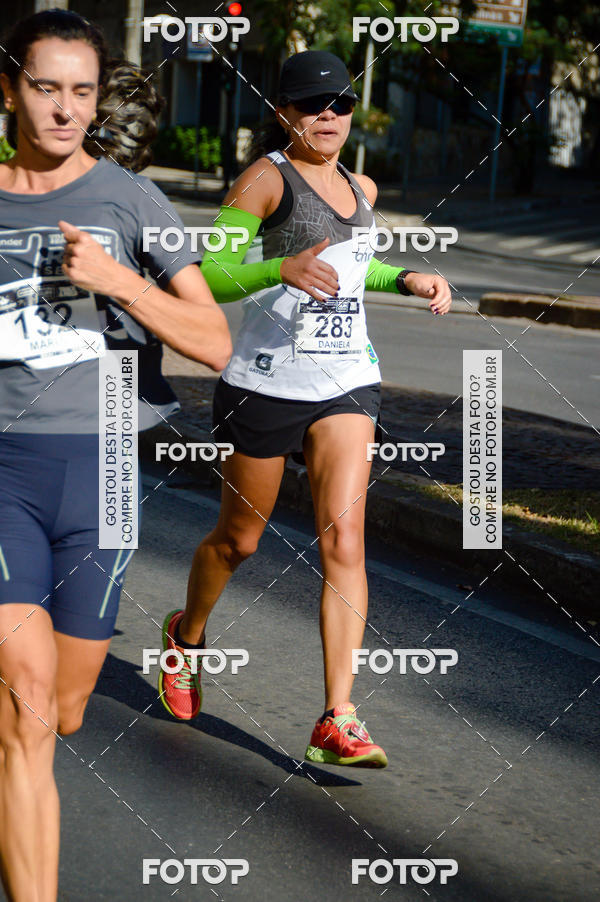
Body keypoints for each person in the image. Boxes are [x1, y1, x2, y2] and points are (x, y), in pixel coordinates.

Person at [159, 50, 452, 767]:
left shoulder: (362, 184)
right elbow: (213, 275)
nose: (329, 117)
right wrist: (277, 267)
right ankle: (187, 635)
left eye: (341, 105)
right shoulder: (265, 180)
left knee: (344, 542)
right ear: (284, 112)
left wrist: (406, 276)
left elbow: (351, 269)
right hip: (263, 382)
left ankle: (337, 718)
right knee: (240, 540)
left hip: (348, 381)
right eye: (313, 105)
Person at [0, 9, 231, 901]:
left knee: (59, 712)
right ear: (10, 88)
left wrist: (118, 280)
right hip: (7, 470)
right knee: (25, 703)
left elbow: (213, 341)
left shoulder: (132, 200)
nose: (64, 109)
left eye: (82, 91)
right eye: (45, 87)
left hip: (105, 474)